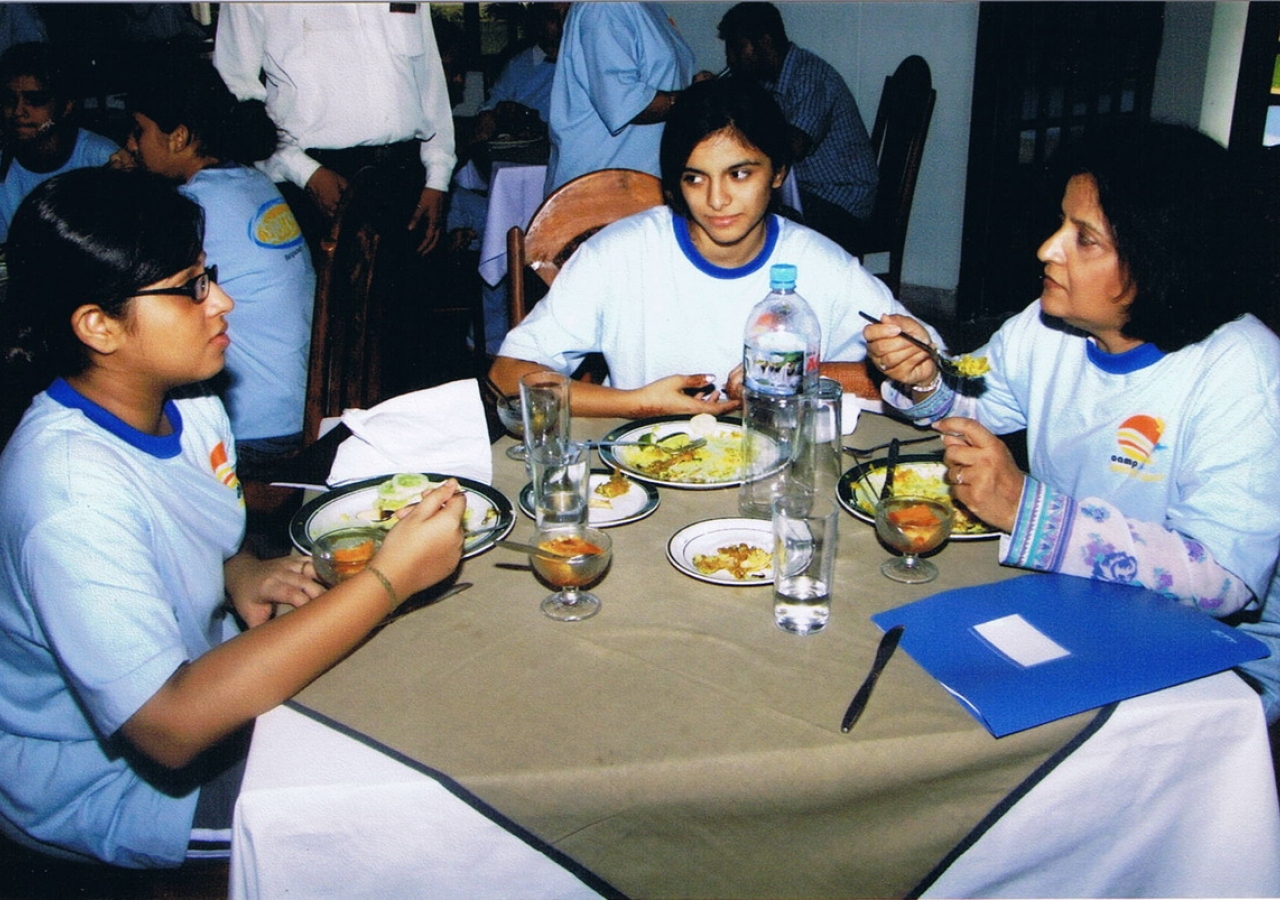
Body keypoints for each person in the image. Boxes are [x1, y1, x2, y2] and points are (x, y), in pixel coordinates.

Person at [0, 168, 467, 867]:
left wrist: (240, 572)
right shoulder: (69, 496)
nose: (221, 300)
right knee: (410, 808)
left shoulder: (187, 401)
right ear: (98, 325)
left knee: (433, 695)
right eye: (189, 287)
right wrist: (390, 581)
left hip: (207, 673)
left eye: (207, 273)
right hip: (117, 783)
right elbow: (170, 727)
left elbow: (183, 534)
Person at [864, 122, 1280, 722]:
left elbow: (1224, 580)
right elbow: (979, 403)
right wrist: (925, 377)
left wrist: (1025, 509)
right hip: (1077, 597)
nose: (1047, 249)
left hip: (1210, 660)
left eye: (1084, 239)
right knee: (914, 678)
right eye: (1062, 224)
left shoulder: (1244, 370)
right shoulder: (1048, 325)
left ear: (1162, 256)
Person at [491, 78, 931, 417]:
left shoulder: (819, 263)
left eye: (740, 174)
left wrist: (795, 376)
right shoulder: (619, 255)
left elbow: (925, 375)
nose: (716, 200)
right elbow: (508, 374)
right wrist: (636, 402)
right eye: (694, 177)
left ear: (778, 172)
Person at [116, 55, 315, 479]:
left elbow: (122, 275)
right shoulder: (252, 180)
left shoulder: (193, 207)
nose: (131, 145)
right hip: (303, 399)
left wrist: (121, 186)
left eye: (139, 131)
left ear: (178, 137)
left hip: (258, 426)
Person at [213, 2, 455, 258]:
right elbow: (234, 93)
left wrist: (438, 177)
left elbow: (430, 81)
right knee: (326, 296)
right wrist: (304, 172)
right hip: (317, 178)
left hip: (404, 176)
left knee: (408, 295)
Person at [716, 2, 877, 254]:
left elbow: (794, 146)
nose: (730, 59)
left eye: (737, 48)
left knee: (746, 211)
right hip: (812, 193)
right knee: (742, 203)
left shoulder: (810, 76)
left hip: (841, 204)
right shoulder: (770, 79)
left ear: (764, 42)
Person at [546, 1, 710, 194]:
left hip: (640, 182)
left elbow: (652, 82)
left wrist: (692, 85)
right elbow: (628, 105)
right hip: (603, 189)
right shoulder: (604, 7)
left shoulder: (646, 6)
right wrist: (695, 97)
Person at [0, 42, 116, 243]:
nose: (19, 111)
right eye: (10, 100)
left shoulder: (102, 157)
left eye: (35, 100)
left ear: (66, 106)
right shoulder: (3, 165)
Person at [470, 2, 568, 150]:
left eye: (568, 17)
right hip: (528, 146)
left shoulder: (585, 61)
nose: (562, 25)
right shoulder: (519, 64)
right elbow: (494, 101)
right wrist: (488, 114)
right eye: (553, 18)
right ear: (539, 23)